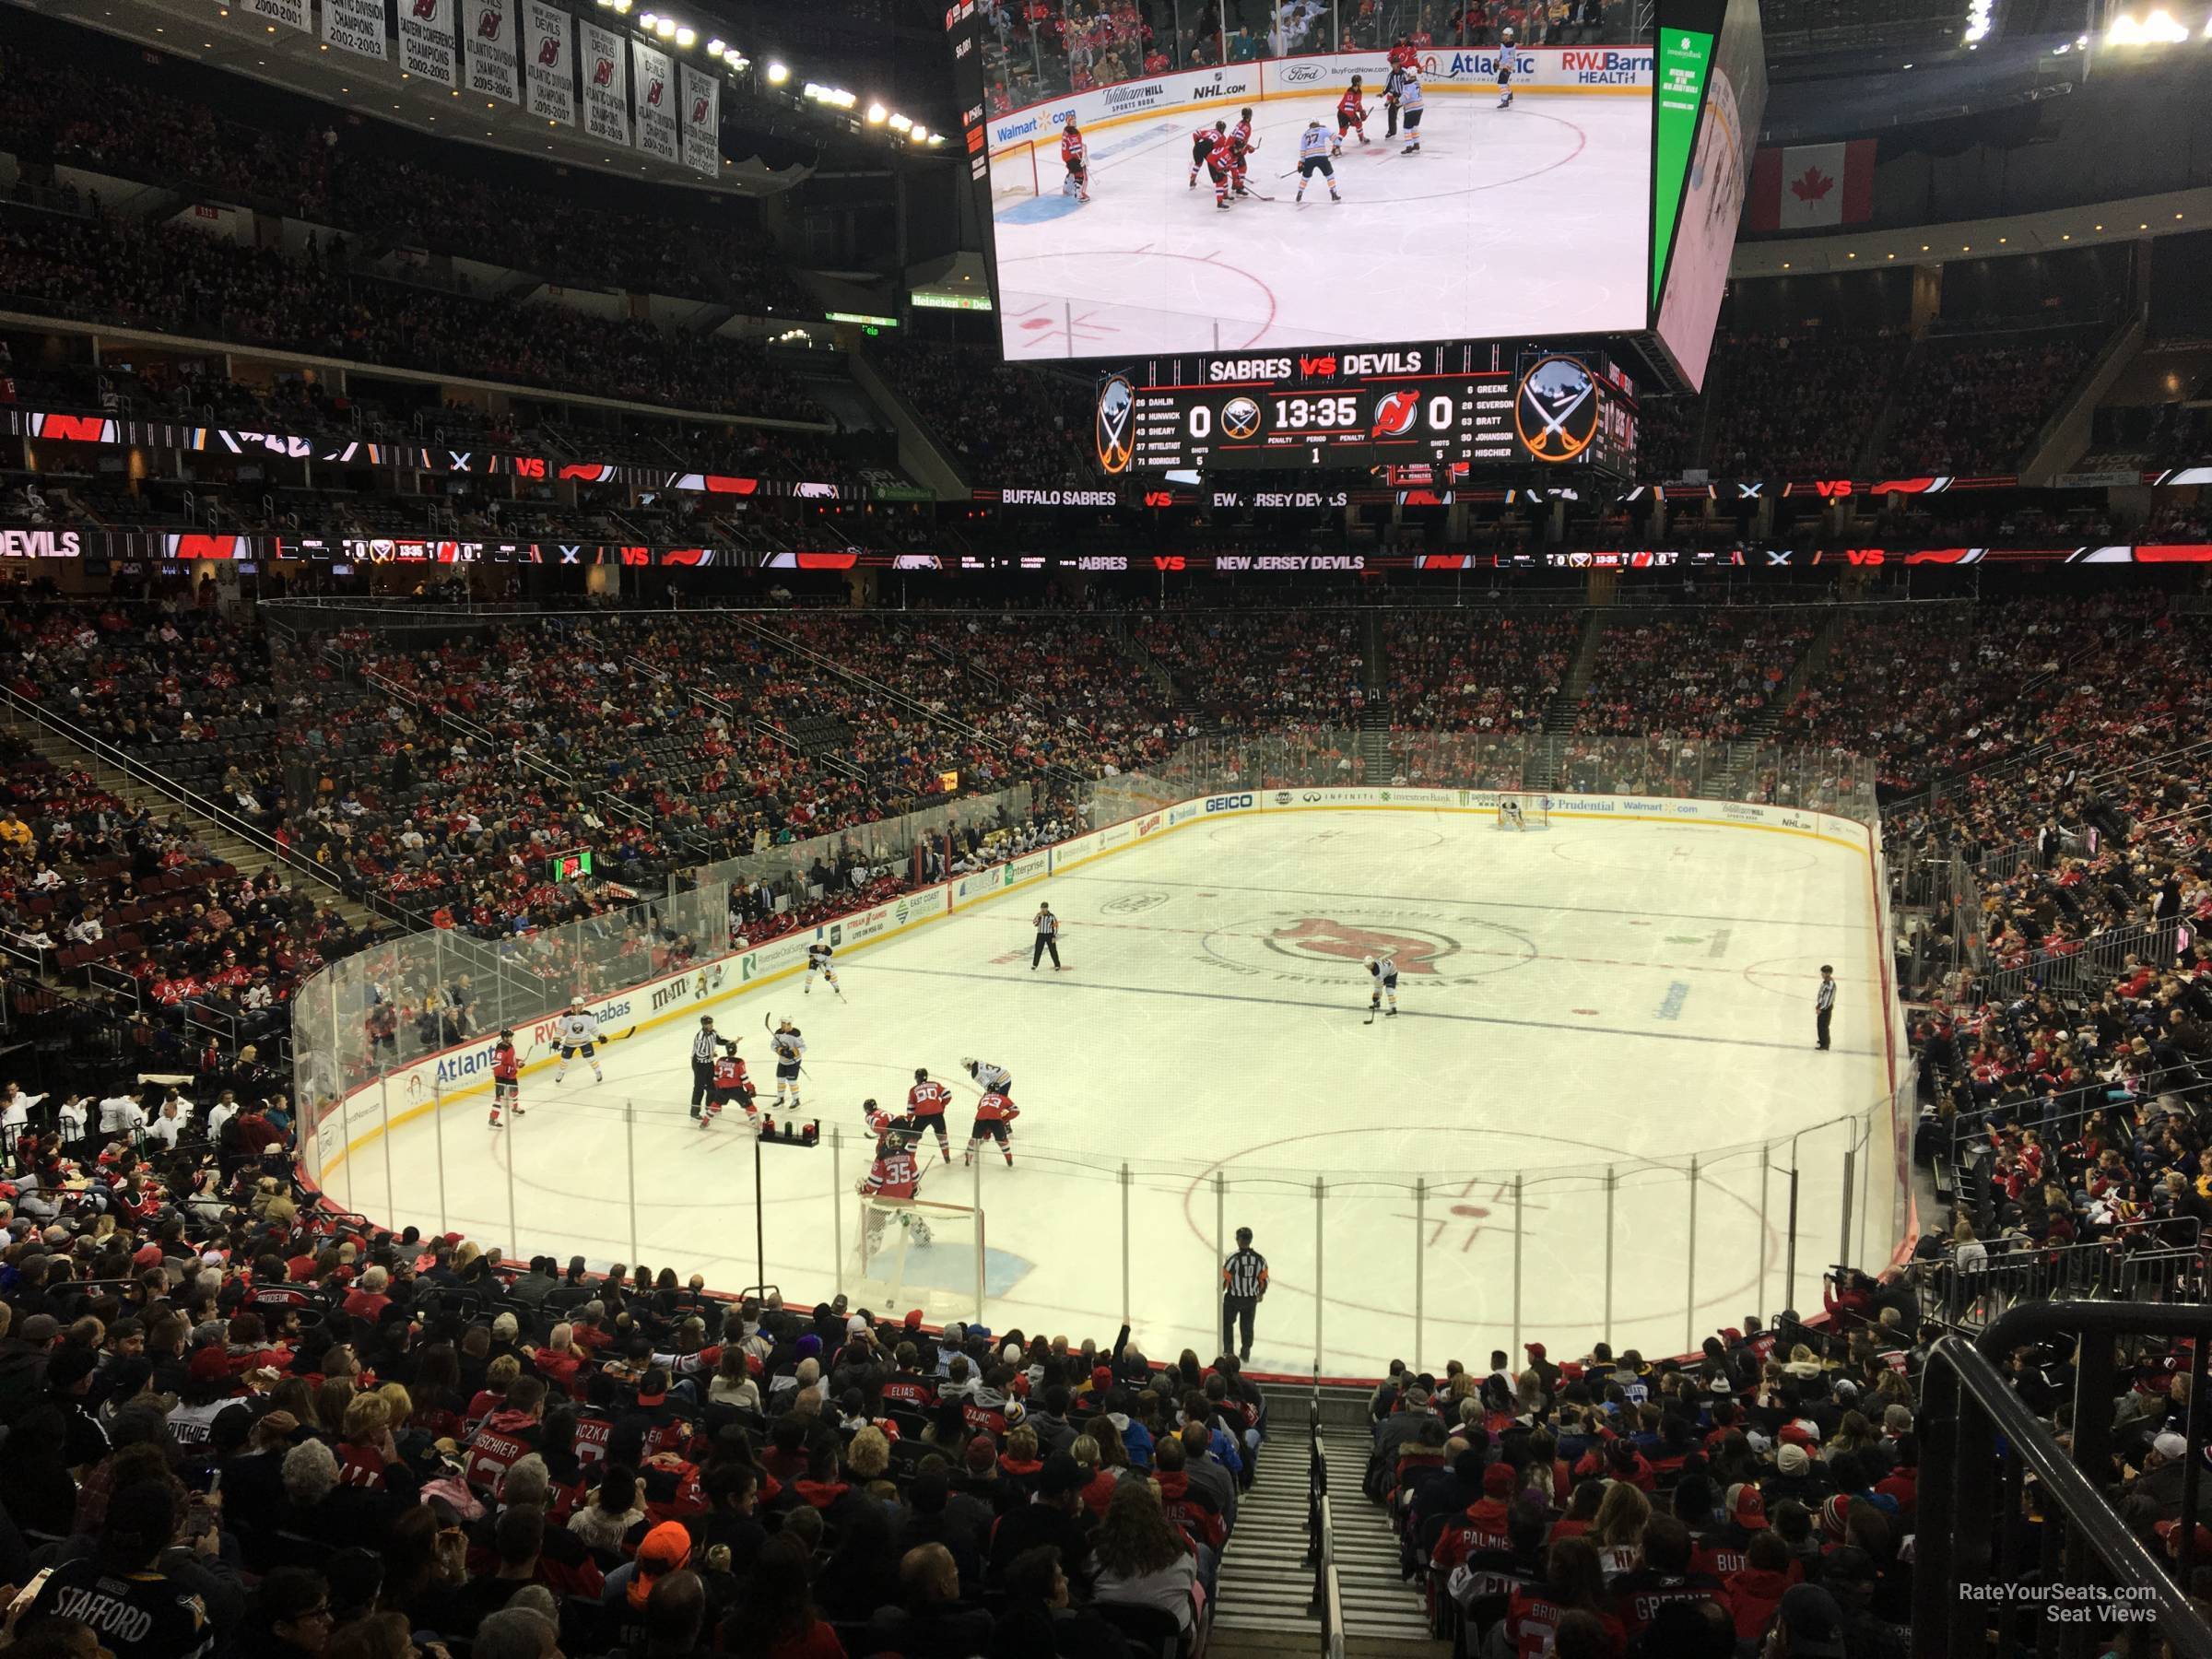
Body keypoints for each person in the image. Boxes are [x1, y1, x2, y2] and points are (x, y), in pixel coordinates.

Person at [1220, 1227, 1269, 1362]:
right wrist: (1261, 1293)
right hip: (1250, 1300)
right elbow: (1264, 1279)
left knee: (1227, 1324)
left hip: (1233, 1298)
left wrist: (1221, 1290)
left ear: (1239, 1240)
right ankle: (1245, 1353)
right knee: (1247, 1327)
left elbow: (1225, 1278)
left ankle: (1228, 1352)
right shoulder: (1260, 1259)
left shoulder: (1232, 1258)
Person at [553, 1000, 603, 1086]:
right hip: (570, 1043)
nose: (581, 1006)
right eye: (579, 1005)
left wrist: (600, 1036)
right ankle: (561, 1072)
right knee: (564, 1060)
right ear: (573, 1006)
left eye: (581, 1005)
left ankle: (598, 1072)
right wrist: (556, 1040)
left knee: (591, 1058)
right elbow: (561, 1029)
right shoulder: (567, 1016)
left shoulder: (587, 1014)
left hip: (585, 1041)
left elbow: (592, 1028)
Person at [1294, 123, 1342, 205]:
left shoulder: (1305, 134)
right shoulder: (1322, 129)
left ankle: (1300, 192)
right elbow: (1334, 137)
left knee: (1305, 177)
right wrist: (1336, 146)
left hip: (1309, 158)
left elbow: (1303, 149)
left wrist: (1301, 162)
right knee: (1329, 175)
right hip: (1321, 157)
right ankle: (1333, 193)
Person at [489, 1030, 522, 1129]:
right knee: (499, 1098)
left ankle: (515, 1108)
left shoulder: (509, 1046)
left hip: (511, 1076)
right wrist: (509, 1069)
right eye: (510, 1037)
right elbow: (495, 1064)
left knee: (514, 1092)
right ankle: (493, 1119)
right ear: (504, 1038)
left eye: (512, 1036)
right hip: (501, 1078)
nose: (512, 1038)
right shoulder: (501, 1049)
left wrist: (518, 1062)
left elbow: (510, 1060)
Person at [1060, 118, 1090, 202]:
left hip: (1067, 156)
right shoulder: (1071, 133)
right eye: (1072, 121)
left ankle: (1067, 189)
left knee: (1072, 171)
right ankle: (1079, 194)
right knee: (1079, 173)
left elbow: (1076, 145)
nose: (1074, 122)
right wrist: (1081, 157)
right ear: (1069, 123)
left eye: (1075, 121)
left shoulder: (1067, 131)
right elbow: (1074, 148)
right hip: (1070, 157)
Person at [1334, 77, 1368, 151]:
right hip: (1343, 113)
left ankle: (1361, 138)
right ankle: (1336, 147)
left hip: (1350, 112)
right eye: (1360, 81)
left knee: (1358, 124)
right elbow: (1348, 109)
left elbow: (1358, 103)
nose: (1362, 83)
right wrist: (1353, 118)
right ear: (1357, 83)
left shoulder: (1359, 92)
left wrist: (1361, 111)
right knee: (1343, 131)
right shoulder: (1350, 93)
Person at [1032, 902, 1065, 971]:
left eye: (1044, 908)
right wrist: (1039, 917)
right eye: (1042, 908)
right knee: (1038, 950)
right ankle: (1035, 965)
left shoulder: (1051, 916)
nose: (1043, 909)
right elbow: (1034, 923)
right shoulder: (1039, 915)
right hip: (1040, 935)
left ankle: (1057, 965)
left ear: (1047, 908)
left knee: (1053, 950)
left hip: (1049, 935)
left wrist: (1054, 936)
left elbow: (1055, 926)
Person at [1815, 965, 1836, 1051]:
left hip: (1825, 1008)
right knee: (1820, 1025)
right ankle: (1822, 1041)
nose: (1821, 974)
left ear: (1828, 973)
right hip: (1822, 1006)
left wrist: (1821, 1008)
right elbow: (1822, 994)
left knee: (1823, 1026)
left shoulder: (1830, 984)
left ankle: (1825, 1044)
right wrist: (1818, 1004)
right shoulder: (1825, 982)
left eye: (1823, 972)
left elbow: (1828, 999)